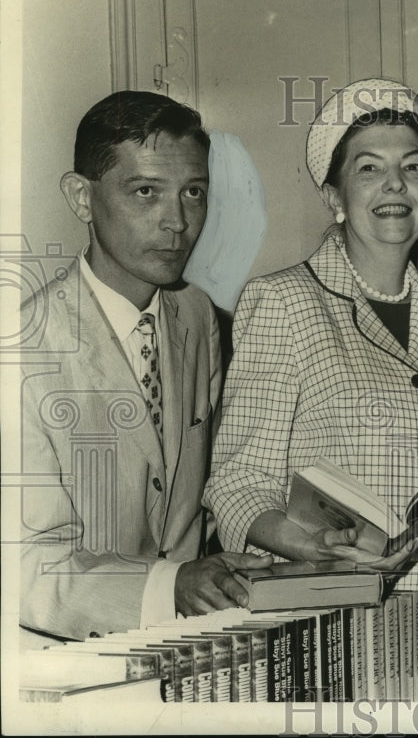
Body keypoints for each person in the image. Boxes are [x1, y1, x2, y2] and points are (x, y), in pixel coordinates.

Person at [204, 78, 418, 656]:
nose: (395, 185)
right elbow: (236, 482)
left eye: (413, 166)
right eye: (369, 168)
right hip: (335, 615)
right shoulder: (281, 302)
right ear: (333, 193)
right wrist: (313, 546)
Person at [19, 91, 271, 645]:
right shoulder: (22, 352)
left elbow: (190, 509)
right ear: (81, 198)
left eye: (194, 193)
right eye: (145, 192)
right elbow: (26, 570)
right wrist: (168, 587)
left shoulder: (196, 313)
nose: (177, 222)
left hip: (184, 657)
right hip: (66, 665)